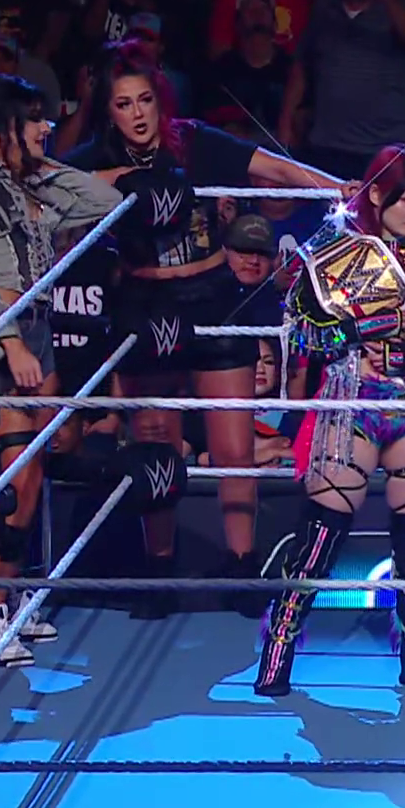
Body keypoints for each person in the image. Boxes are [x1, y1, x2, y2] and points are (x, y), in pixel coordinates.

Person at [62, 41, 351, 599]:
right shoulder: (94, 157)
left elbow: (272, 166)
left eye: (145, 100)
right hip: (147, 301)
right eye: (124, 104)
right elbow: (47, 187)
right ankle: (159, 571)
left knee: (232, 446)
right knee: (155, 441)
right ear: (108, 110)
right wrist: (116, 181)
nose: (138, 114)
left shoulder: (192, 140)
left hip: (214, 296)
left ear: (160, 99)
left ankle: (242, 566)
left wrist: (335, 187)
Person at [254, 145, 405, 698]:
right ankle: (279, 644)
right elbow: (304, 335)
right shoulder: (335, 252)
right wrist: (360, 329)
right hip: (352, 399)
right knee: (322, 532)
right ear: (377, 194)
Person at [0, 74, 125, 665]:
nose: (48, 127)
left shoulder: (25, 182)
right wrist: (11, 342)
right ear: (3, 127)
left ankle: (11, 597)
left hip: (36, 330)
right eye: (35, 120)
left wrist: (39, 166)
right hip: (0, 335)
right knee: (17, 479)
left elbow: (104, 204)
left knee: (33, 474)